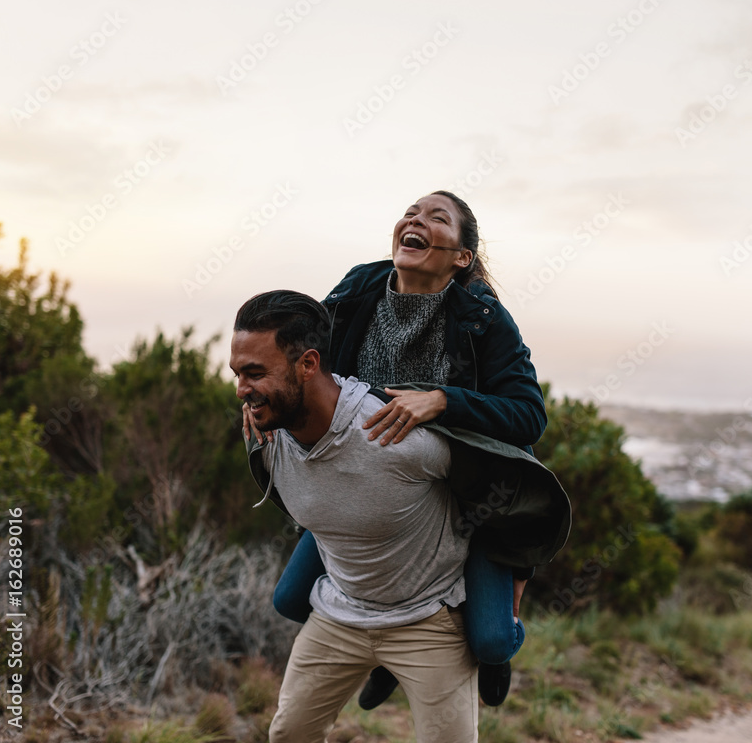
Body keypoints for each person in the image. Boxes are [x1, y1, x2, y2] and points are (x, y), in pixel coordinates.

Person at [246, 190, 550, 707]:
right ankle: (389, 655)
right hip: (364, 490)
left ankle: (499, 651)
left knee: (491, 639)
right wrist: (262, 401)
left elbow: (529, 416)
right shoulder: (360, 286)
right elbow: (298, 355)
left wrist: (442, 400)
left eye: (437, 218)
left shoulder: (484, 317)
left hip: (456, 497)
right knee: (291, 599)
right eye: (412, 212)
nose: (416, 220)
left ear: (461, 257)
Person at [231, 290, 480, 743]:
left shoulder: (397, 436)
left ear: (308, 364)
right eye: (236, 374)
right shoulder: (265, 437)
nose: (242, 392)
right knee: (289, 735)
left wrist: (510, 578)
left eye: (254, 374)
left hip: (428, 618)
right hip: (340, 613)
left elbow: (495, 483)